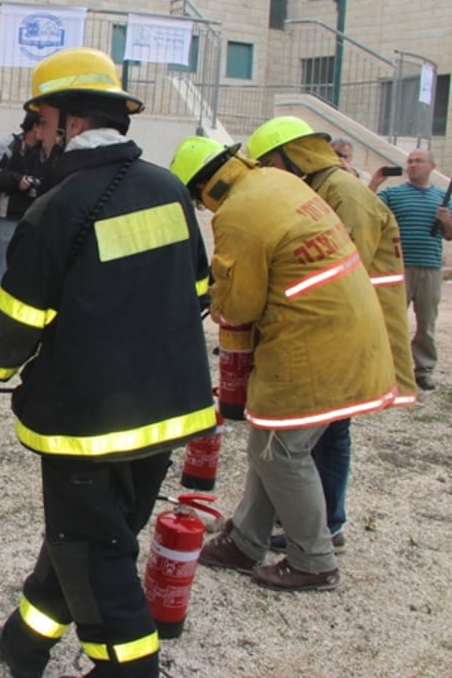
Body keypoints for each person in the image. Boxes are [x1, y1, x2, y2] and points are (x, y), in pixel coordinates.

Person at [0, 47, 215, 678]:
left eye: (39, 123)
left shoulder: (58, 210)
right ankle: (23, 642)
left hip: (89, 426)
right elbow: (198, 292)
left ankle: (128, 669)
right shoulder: (169, 189)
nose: (35, 136)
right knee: (93, 538)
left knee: (91, 547)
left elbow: (16, 329)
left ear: (70, 122)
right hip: (168, 412)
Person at [169, 136, 395, 594]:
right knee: (270, 447)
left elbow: (243, 302)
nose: (204, 209)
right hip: (340, 329)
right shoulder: (276, 182)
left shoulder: (238, 213)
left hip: (312, 341)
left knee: (282, 453)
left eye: (197, 199)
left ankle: (314, 560)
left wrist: (213, 299)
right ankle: (246, 542)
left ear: (205, 188)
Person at [245, 116, 416, 557]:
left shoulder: (343, 193)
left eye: (269, 164)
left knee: (327, 433)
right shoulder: (320, 188)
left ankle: (328, 525)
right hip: (337, 333)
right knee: (307, 436)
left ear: (292, 155)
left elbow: (333, 275)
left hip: (350, 333)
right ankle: (308, 518)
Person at [370, 149, 452, 391]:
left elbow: (449, 235)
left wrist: (446, 220)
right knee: (392, 321)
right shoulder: (393, 194)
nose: (413, 165)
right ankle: (388, 370)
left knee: (427, 322)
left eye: (419, 161)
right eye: (410, 161)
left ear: (432, 166)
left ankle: (424, 370)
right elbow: (369, 213)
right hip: (398, 267)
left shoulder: (443, 198)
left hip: (430, 268)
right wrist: (373, 185)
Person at [0, 110, 43, 291]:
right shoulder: (6, 145)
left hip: (34, 217)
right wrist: (17, 181)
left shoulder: (46, 149)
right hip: (7, 216)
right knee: (4, 267)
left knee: (30, 268)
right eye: (43, 124)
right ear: (35, 126)